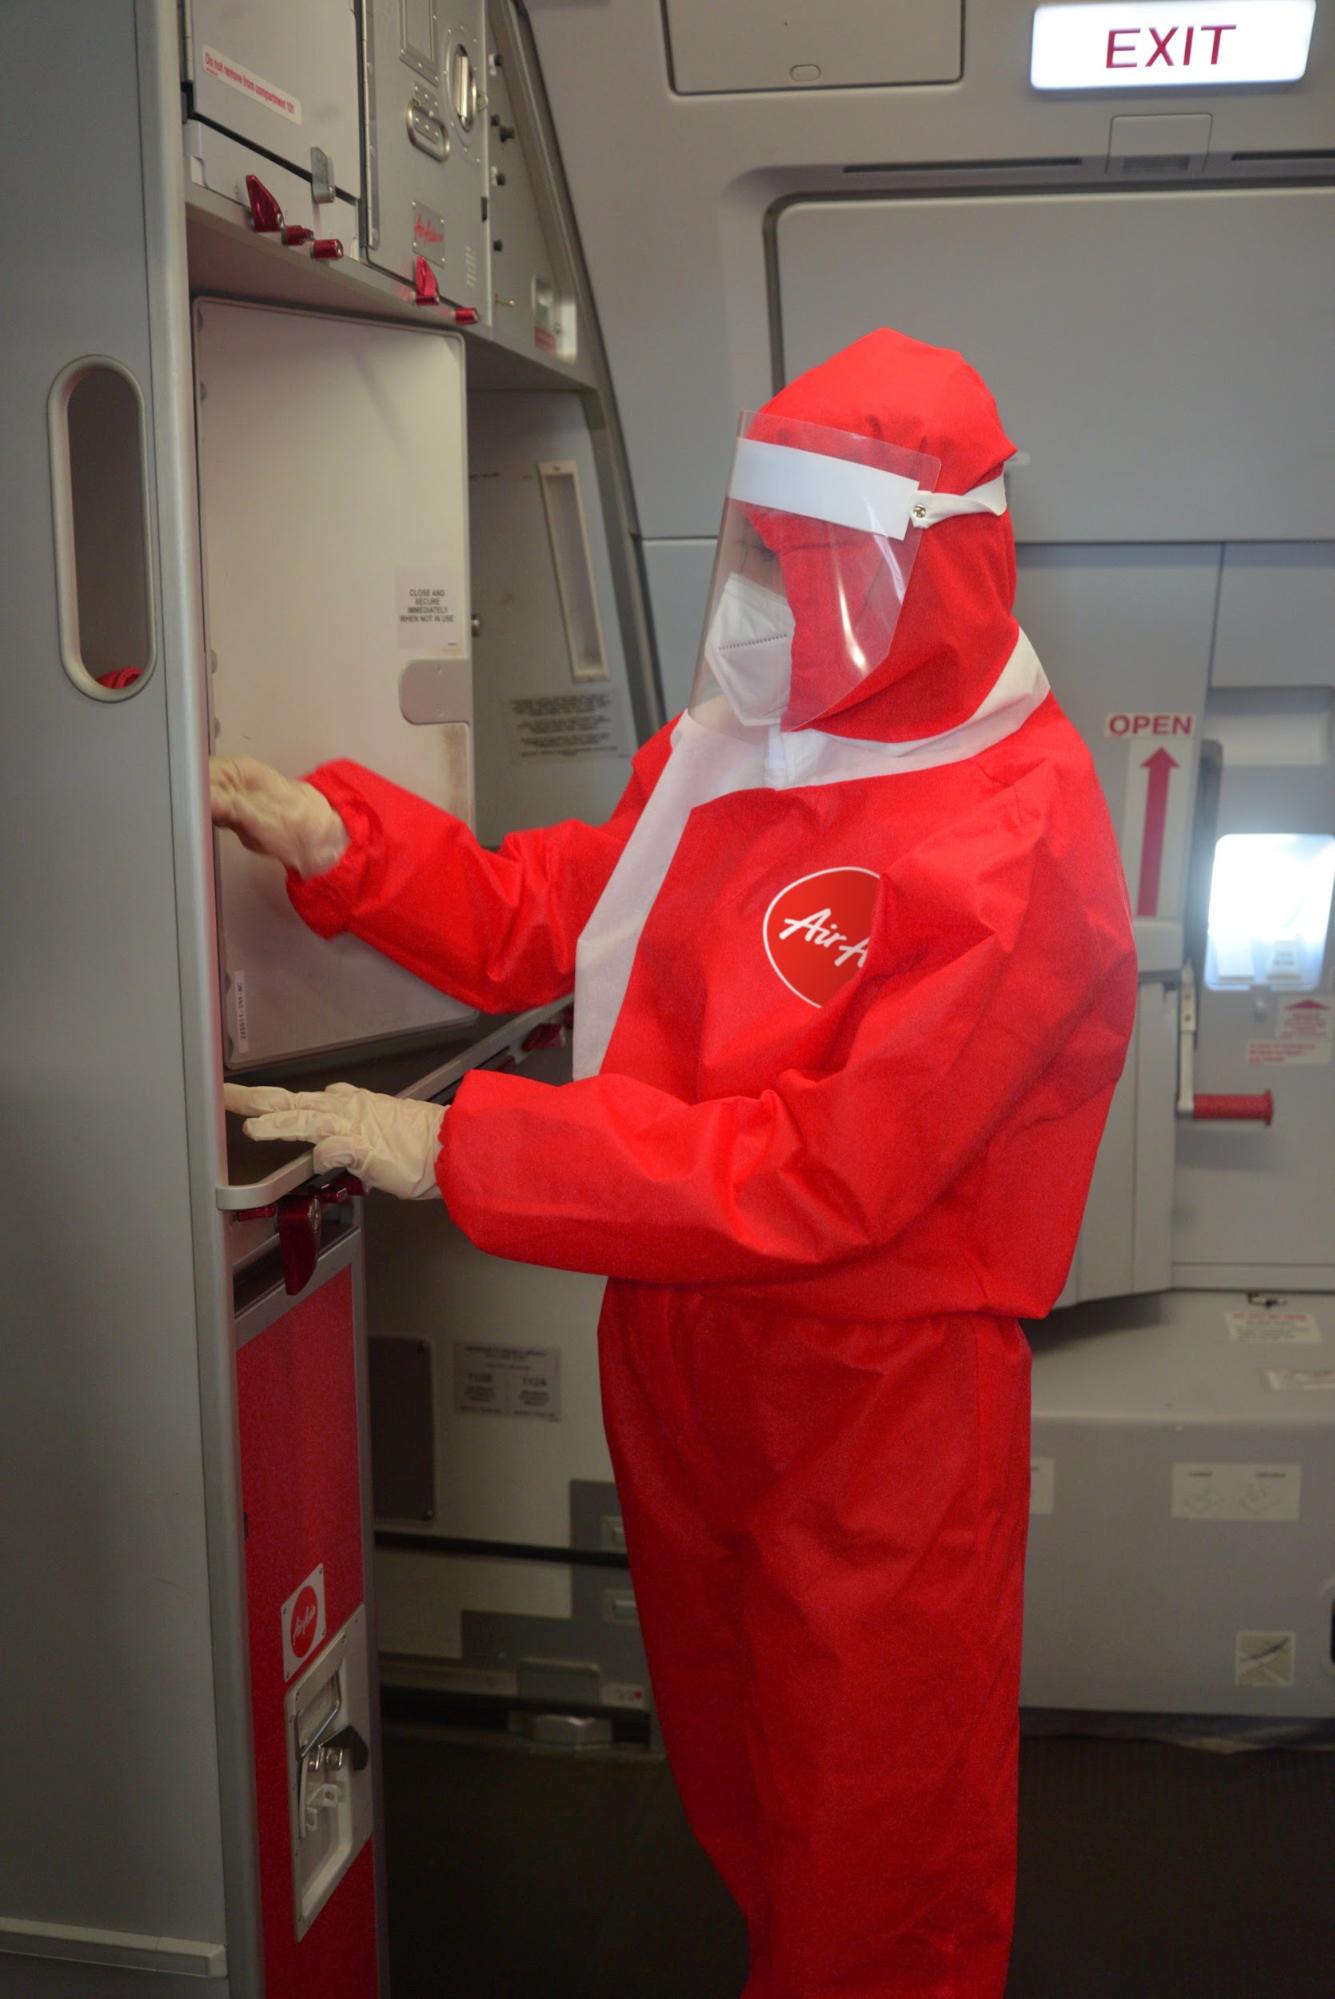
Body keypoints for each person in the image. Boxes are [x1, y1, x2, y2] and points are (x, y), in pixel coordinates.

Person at [217, 328, 1137, 1998]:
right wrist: (352, 846)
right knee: (747, 1799)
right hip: (688, 1352)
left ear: (924, 570)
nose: (767, 600)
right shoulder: (754, 742)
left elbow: (825, 1176)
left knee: (881, 1852)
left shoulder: (1020, 839)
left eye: (811, 566)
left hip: (878, 1403)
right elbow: (581, 915)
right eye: (760, 552)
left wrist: (465, 1144)